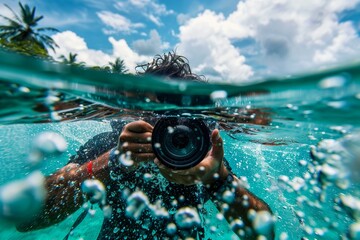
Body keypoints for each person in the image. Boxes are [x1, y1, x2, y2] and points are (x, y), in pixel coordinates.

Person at [16, 52, 274, 239]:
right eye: (155, 110)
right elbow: (27, 220)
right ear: (136, 111)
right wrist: (111, 161)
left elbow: (263, 233)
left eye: (179, 114)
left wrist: (220, 179)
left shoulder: (203, 156)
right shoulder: (109, 145)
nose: (168, 126)